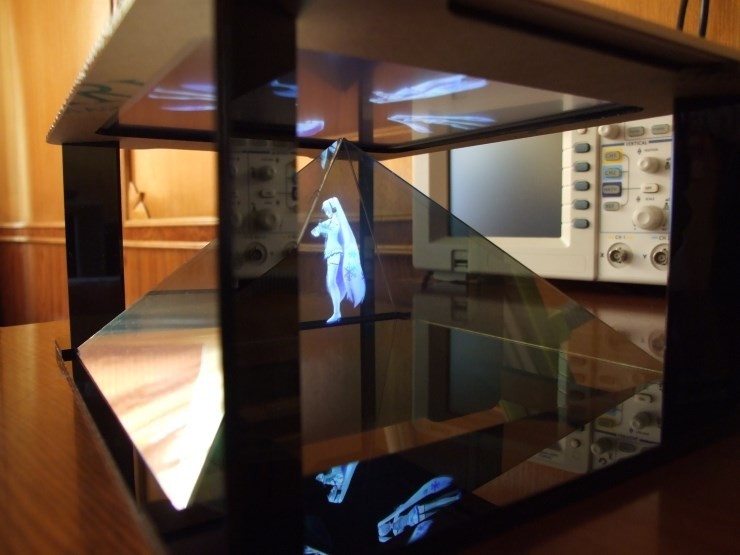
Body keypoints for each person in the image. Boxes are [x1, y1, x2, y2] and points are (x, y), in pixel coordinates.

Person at [310, 197, 365, 324]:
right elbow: (315, 232)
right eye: (325, 211)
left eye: (327, 210)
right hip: (330, 253)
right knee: (330, 282)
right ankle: (336, 307)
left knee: (331, 281)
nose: (326, 213)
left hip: (335, 252)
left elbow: (330, 229)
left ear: (332, 209)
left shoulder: (336, 222)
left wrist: (322, 227)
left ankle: (336, 312)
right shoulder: (329, 222)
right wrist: (319, 228)